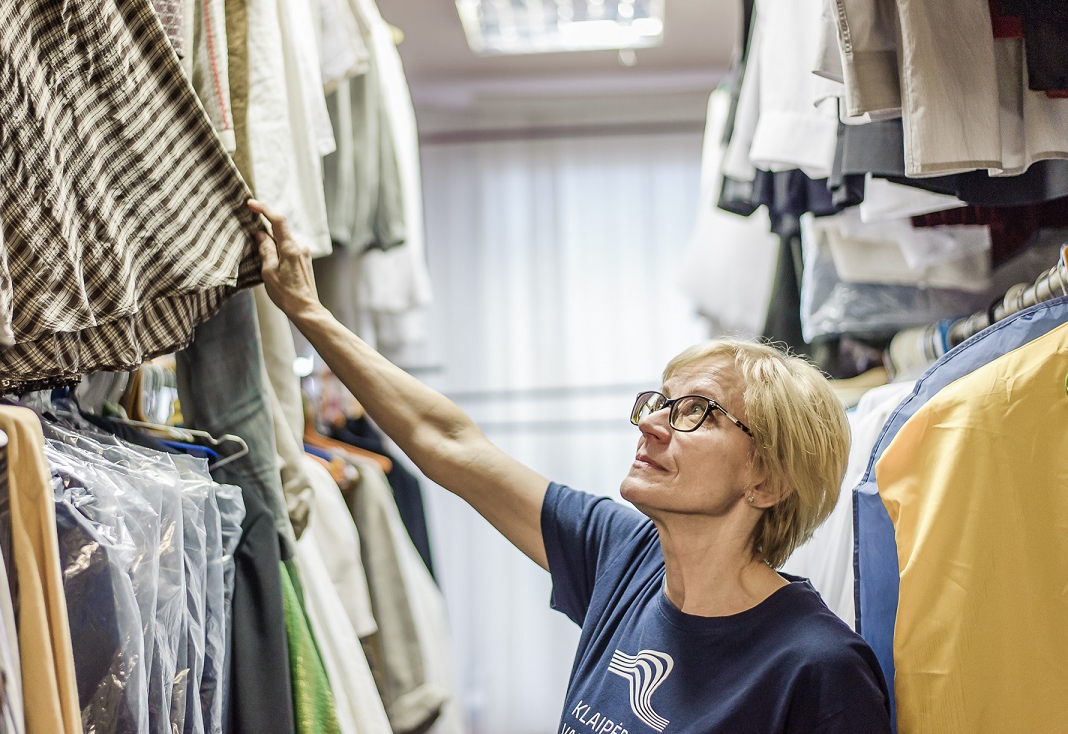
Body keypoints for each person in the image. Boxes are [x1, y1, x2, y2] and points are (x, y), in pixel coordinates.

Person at [248, 199, 892, 733]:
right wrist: (307, 310)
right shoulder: (626, 559)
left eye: (696, 411)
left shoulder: (818, 667)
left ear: (770, 480)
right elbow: (450, 443)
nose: (651, 424)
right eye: (658, 403)